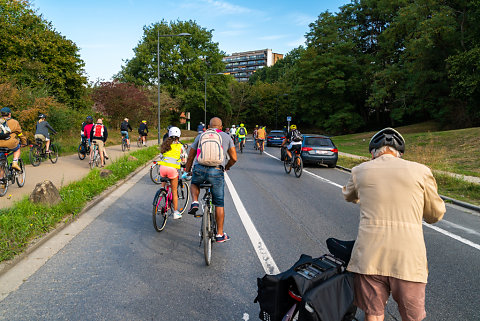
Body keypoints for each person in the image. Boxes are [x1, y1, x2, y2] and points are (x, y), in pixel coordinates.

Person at [342, 128, 446, 321]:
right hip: (408, 260)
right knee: (411, 317)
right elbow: (435, 215)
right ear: (400, 153)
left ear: (373, 152)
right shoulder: (421, 171)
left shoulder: (359, 171)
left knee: (373, 313)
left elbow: (349, 195)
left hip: (370, 257)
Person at [185, 117, 237, 243]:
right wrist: (226, 167)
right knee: (218, 202)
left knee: (195, 183)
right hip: (216, 170)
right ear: (221, 126)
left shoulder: (201, 135)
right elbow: (234, 158)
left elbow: (191, 155)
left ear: (208, 126)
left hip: (200, 169)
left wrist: (187, 170)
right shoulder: (226, 137)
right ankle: (219, 234)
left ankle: (195, 201)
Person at [158, 126, 187, 220]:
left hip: (162, 169)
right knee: (174, 191)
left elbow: (161, 156)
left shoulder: (165, 144)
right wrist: (183, 164)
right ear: (178, 136)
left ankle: (162, 192)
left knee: (164, 186)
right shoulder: (180, 146)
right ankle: (175, 212)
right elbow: (184, 159)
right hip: (172, 170)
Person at [0, 107, 26, 171]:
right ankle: (15, 162)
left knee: (2, 164)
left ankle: (1, 179)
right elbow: (20, 134)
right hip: (10, 143)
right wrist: (24, 142)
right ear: (9, 114)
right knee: (17, 148)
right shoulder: (14, 122)